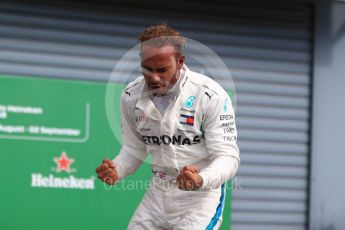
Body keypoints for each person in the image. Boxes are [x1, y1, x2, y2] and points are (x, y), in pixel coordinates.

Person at [96, 24, 240, 230]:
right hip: (158, 193)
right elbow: (134, 149)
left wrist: (200, 178)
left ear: (180, 62)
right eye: (147, 69)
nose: (154, 77)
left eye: (162, 70)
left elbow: (228, 158)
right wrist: (117, 169)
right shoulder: (130, 96)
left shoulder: (210, 95)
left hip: (200, 199)